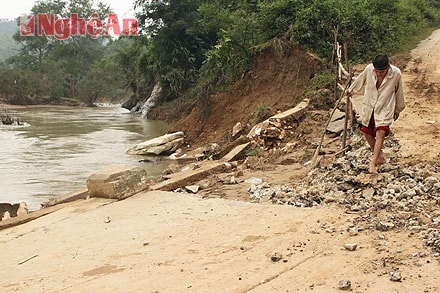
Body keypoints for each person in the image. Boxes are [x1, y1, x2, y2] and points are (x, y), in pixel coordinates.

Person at [346, 53, 405, 174]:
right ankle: (379, 156)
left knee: (381, 132)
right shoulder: (369, 69)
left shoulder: (396, 73)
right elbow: (360, 80)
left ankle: (373, 162)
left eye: (381, 72)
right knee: (366, 131)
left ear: (388, 67)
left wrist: (397, 109)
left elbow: (399, 92)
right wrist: (351, 90)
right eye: (377, 71)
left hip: (385, 105)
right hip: (370, 104)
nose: (378, 74)